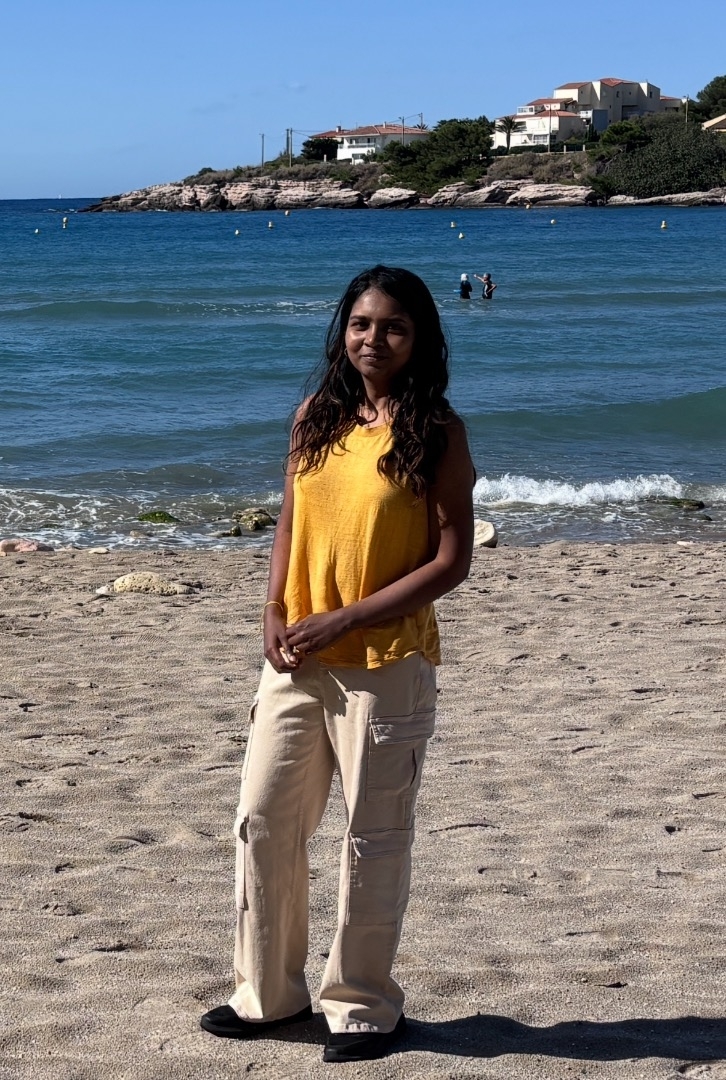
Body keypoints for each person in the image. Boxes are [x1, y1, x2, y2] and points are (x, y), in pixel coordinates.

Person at [200, 265, 475, 1063]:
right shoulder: (314, 417)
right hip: (297, 657)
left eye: (392, 326)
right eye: (361, 323)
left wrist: (348, 616)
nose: (373, 339)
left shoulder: (437, 430)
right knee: (262, 820)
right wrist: (273, 609)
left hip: (384, 661)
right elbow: (291, 522)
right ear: (342, 330)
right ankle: (268, 996)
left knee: (372, 837)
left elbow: (452, 560)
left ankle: (361, 1006)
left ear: (419, 337)